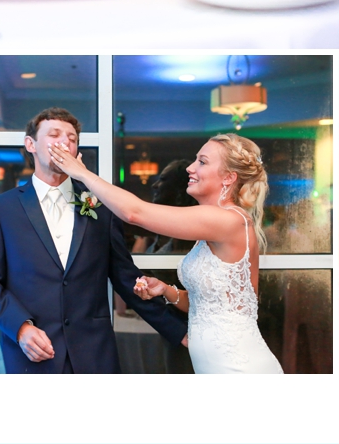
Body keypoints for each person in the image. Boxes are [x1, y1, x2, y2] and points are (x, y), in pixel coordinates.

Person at [0, 108, 188, 374]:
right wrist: (21, 328)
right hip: (31, 357)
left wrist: (180, 331)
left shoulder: (100, 205)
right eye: (54, 135)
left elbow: (125, 278)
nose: (65, 142)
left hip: (94, 356)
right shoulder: (1, 209)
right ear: (31, 144)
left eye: (72, 138)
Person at [47, 133, 282, 374]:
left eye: (202, 162)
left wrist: (82, 174)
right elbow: (212, 305)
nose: (190, 168)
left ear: (229, 177)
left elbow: (134, 213)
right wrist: (166, 290)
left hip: (238, 366)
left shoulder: (228, 220)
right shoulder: (215, 223)